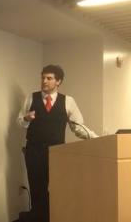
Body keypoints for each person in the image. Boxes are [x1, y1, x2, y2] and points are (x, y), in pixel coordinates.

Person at [16, 65, 97, 222]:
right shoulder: (31, 98)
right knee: (36, 187)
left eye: (49, 78)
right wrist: (26, 118)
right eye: (43, 77)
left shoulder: (68, 101)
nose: (44, 81)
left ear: (58, 81)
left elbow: (78, 127)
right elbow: (20, 121)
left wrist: (97, 138)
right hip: (34, 151)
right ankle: (39, 218)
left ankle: (55, 217)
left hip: (57, 152)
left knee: (57, 188)